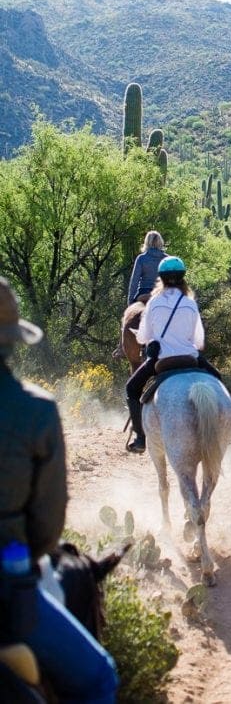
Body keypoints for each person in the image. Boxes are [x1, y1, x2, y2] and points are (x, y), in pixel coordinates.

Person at [0, 277, 118, 702]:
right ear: (13, 342)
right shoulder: (36, 410)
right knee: (99, 678)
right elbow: (47, 528)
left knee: (139, 383)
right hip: (7, 581)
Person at [126, 256, 222, 454]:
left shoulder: (153, 303)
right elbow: (199, 342)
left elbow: (143, 337)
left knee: (131, 388)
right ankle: (227, 430)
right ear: (182, 277)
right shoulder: (190, 303)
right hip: (190, 358)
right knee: (218, 380)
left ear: (160, 277)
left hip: (162, 360)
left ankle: (141, 438)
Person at [127, 230, 166, 304]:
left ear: (147, 242)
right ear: (160, 242)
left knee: (132, 314)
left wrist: (130, 301)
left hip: (143, 293)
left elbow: (134, 281)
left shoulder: (141, 258)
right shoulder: (167, 259)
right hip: (161, 294)